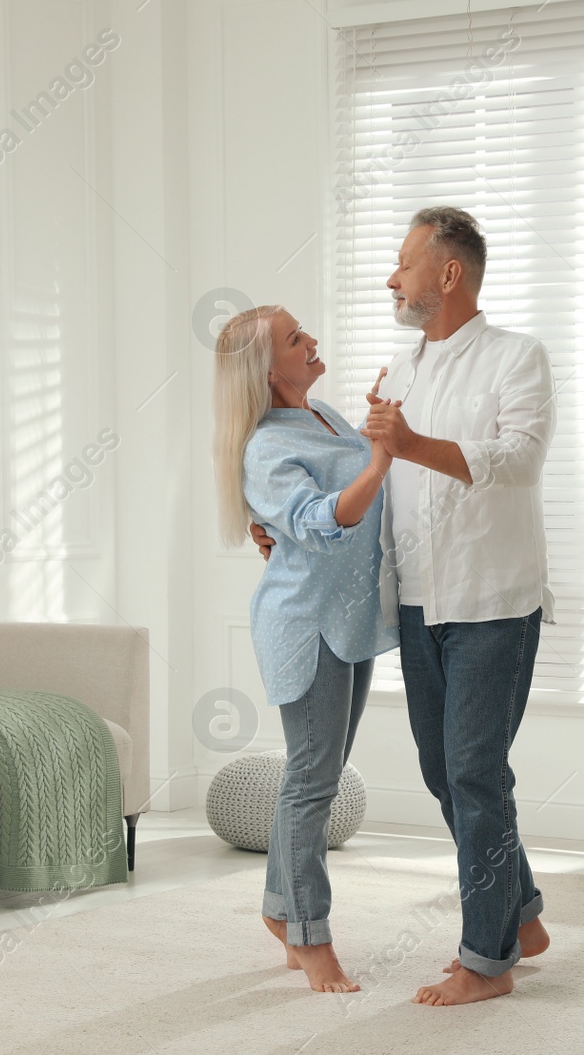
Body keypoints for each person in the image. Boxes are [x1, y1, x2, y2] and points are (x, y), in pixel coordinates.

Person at [255, 207, 558, 1006]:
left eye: (403, 262)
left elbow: (517, 461)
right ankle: (520, 912)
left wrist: (409, 440)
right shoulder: (398, 369)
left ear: (447, 273)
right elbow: (361, 483)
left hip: (494, 601)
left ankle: (487, 959)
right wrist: (277, 528)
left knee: (474, 771)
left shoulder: (517, 358)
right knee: (443, 768)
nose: (392, 277)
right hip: (419, 605)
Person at [212, 304, 398, 994]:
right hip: (306, 624)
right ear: (267, 367)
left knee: (317, 774)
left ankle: (280, 911)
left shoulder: (326, 417)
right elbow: (321, 523)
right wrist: (379, 460)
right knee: (313, 779)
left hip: (351, 621)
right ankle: (311, 936)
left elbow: (361, 502)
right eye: (296, 338)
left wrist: (377, 438)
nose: (312, 339)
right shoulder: (265, 445)